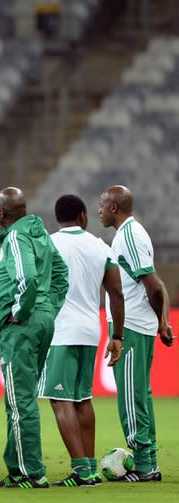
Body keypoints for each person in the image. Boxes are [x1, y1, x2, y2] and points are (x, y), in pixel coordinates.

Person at [0, 187, 68, 489]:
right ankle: (18, 468)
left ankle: (31, 471)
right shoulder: (39, 234)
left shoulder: (17, 237)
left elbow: (28, 278)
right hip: (40, 321)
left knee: (21, 402)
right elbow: (60, 272)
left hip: (20, 327)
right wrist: (50, 306)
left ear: (2, 212)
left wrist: (20, 311)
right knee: (20, 398)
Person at [39, 194, 125, 486]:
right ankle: (89, 466)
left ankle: (81, 470)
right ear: (83, 216)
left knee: (60, 400)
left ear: (57, 217)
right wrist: (117, 336)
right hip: (91, 331)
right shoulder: (100, 246)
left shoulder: (48, 244)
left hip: (60, 332)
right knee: (82, 399)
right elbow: (116, 293)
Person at [98, 185, 175, 481]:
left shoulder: (129, 236)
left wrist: (162, 321)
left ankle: (143, 464)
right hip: (138, 325)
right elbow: (156, 283)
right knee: (140, 394)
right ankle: (149, 460)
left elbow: (154, 285)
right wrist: (163, 321)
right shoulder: (133, 234)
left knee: (131, 397)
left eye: (103, 205)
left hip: (130, 327)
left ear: (115, 208)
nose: (100, 211)